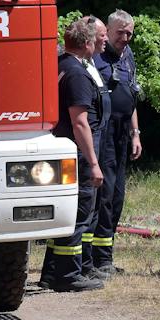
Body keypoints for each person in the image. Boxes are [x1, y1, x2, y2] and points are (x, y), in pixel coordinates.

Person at [41, 17, 107, 292]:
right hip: (76, 152)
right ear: (88, 44)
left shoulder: (59, 66)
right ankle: (69, 276)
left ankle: (51, 272)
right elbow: (80, 121)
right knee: (79, 212)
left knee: (63, 212)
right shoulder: (78, 74)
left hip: (61, 149)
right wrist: (93, 163)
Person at [87, 10, 142, 277]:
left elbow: (130, 95)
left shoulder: (128, 56)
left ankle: (105, 254)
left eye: (129, 32)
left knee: (117, 195)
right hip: (103, 132)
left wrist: (136, 133)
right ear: (107, 31)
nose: (125, 37)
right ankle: (97, 259)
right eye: (120, 32)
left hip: (123, 134)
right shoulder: (94, 55)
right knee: (104, 195)